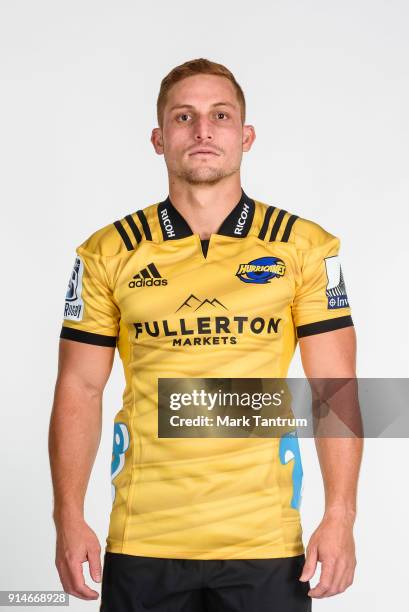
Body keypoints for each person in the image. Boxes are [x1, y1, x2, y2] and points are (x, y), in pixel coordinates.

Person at [49, 58, 362, 611]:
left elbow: (334, 388)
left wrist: (340, 517)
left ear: (245, 136)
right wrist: (68, 519)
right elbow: (79, 389)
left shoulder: (304, 247)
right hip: (142, 542)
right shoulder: (107, 252)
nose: (202, 131)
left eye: (220, 116)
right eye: (183, 117)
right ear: (157, 138)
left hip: (266, 545)